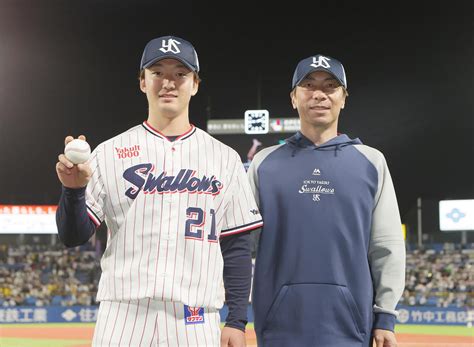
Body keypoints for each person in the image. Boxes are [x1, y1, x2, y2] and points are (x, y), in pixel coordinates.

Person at [55, 35, 263, 346]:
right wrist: (73, 192)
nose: (168, 82)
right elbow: (73, 236)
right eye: (157, 73)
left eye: (180, 74)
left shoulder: (225, 158)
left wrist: (236, 319)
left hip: (194, 317)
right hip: (123, 314)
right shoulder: (109, 152)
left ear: (195, 84)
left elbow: (235, 245)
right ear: (142, 82)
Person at [248, 54, 406, 347]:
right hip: (278, 328)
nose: (319, 94)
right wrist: (235, 315)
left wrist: (385, 316)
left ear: (343, 98)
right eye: (308, 85)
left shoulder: (371, 161)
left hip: (351, 327)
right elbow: (242, 246)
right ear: (294, 98)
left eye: (330, 86)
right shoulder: (264, 163)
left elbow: (388, 245)